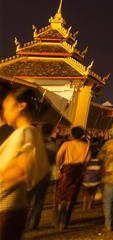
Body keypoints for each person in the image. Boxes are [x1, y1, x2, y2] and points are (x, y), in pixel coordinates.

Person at [0, 86, 51, 240]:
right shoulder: (26, 133)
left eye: (7, 106)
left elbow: (21, 171)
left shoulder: (26, 132)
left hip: (6, 210)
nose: (4, 111)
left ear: (20, 106)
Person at [53, 126, 91, 230]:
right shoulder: (86, 146)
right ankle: (64, 222)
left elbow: (58, 156)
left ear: (72, 134)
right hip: (78, 172)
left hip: (66, 171)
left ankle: (57, 219)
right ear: (82, 135)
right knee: (71, 198)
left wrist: (58, 168)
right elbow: (87, 160)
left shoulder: (67, 144)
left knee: (60, 197)